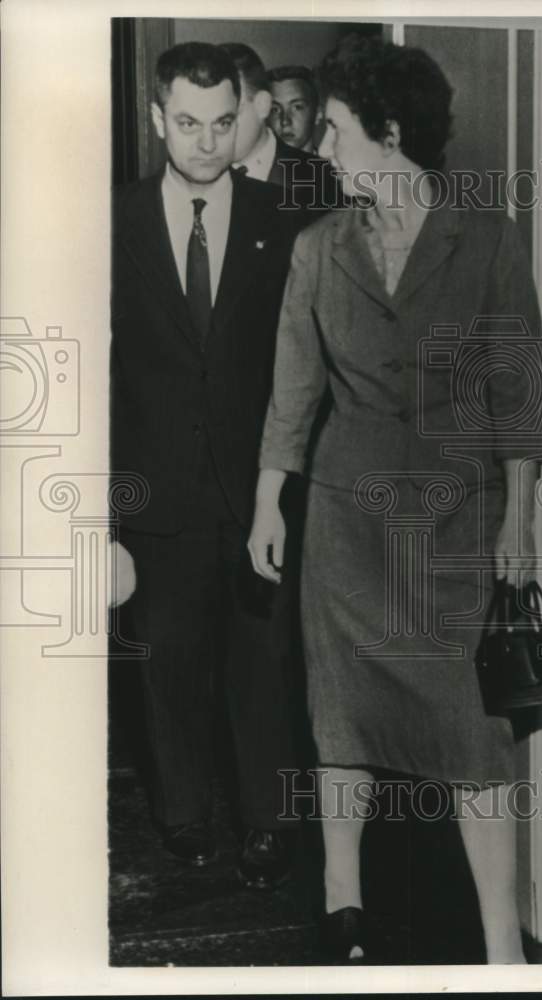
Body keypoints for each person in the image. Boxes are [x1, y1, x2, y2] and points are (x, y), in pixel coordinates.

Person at [249, 35, 542, 964]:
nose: (322, 150)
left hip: (454, 523)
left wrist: (520, 519)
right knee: (340, 724)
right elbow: (293, 390)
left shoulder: (486, 239)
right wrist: (269, 504)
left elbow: (517, 392)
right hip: (344, 522)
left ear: (386, 130)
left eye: (334, 131)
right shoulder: (317, 249)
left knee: (475, 737)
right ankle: (347, 913)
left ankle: (504, 952)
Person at [111, 41, 306, 889]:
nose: (205, 142)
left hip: (254, 488)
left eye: (222, 123)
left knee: (261, 669)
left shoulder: (279, 220)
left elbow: (297, 370)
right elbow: (95, 370)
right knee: (170, 664)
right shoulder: (111, 221)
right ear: (158, 120)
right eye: (186, 124)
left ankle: (268, 822)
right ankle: (184, 814)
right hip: (155, 495)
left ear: (243, 118)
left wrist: (283, 489)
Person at [219, 43, 339, 210]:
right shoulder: (194, 174)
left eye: (228, 114)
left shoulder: (331, 180)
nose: (214, 130)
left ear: (262, 105)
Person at [266, 65, 321, 153]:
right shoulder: (249, 166)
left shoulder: (333, 166)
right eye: (275, 110)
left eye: (297, 107)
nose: (285, 121)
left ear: (318, 113)